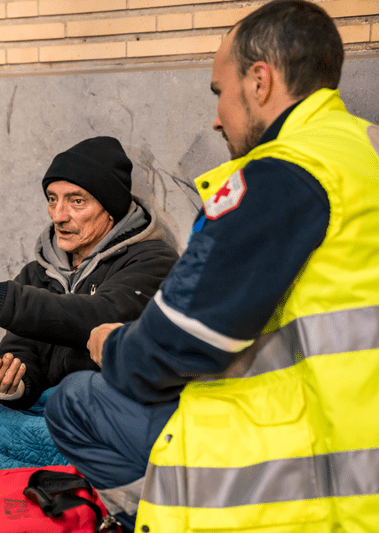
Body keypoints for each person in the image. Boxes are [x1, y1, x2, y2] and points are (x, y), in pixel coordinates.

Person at [44, 1, 379, 531]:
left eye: (220, 92)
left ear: (260, 81)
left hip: (316, 463)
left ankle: (157, 515)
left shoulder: (282, 176)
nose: (216, 117)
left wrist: (114, 346)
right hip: (351, 425)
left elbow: (179, 342)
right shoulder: (365, 150)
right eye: (53, 200)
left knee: (77, 400)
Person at [0, 137, 178, 410]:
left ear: (111, 211)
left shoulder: (153, 262)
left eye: (77, 201)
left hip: (107, 411)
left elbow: (97, 315)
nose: (58, 216)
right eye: (52, 200)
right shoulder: (38, 273)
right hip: (47, 409)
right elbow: (22, 350)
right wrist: (11, 385)